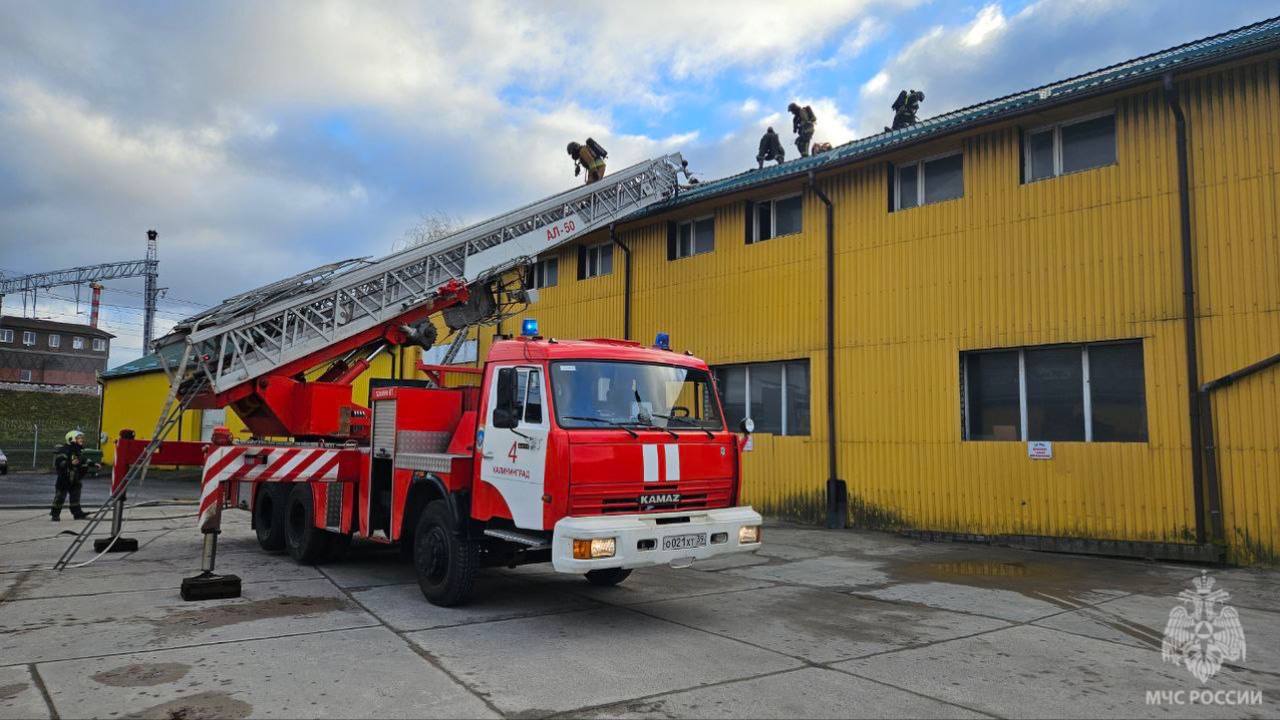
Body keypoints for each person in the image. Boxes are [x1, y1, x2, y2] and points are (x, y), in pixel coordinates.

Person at [51, 430, 94, 521]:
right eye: (78, 438)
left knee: (75, 497)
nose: (81, 439)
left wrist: (93, 464)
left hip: (75, 478)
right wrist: (69, 463)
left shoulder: (78, 450)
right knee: (60, 497)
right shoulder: (65, 450)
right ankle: (55, 514)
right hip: (64, 478)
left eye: (82, 438)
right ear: (71, 439)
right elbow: (60, 462)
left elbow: (83, 459)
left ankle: (77, 513)